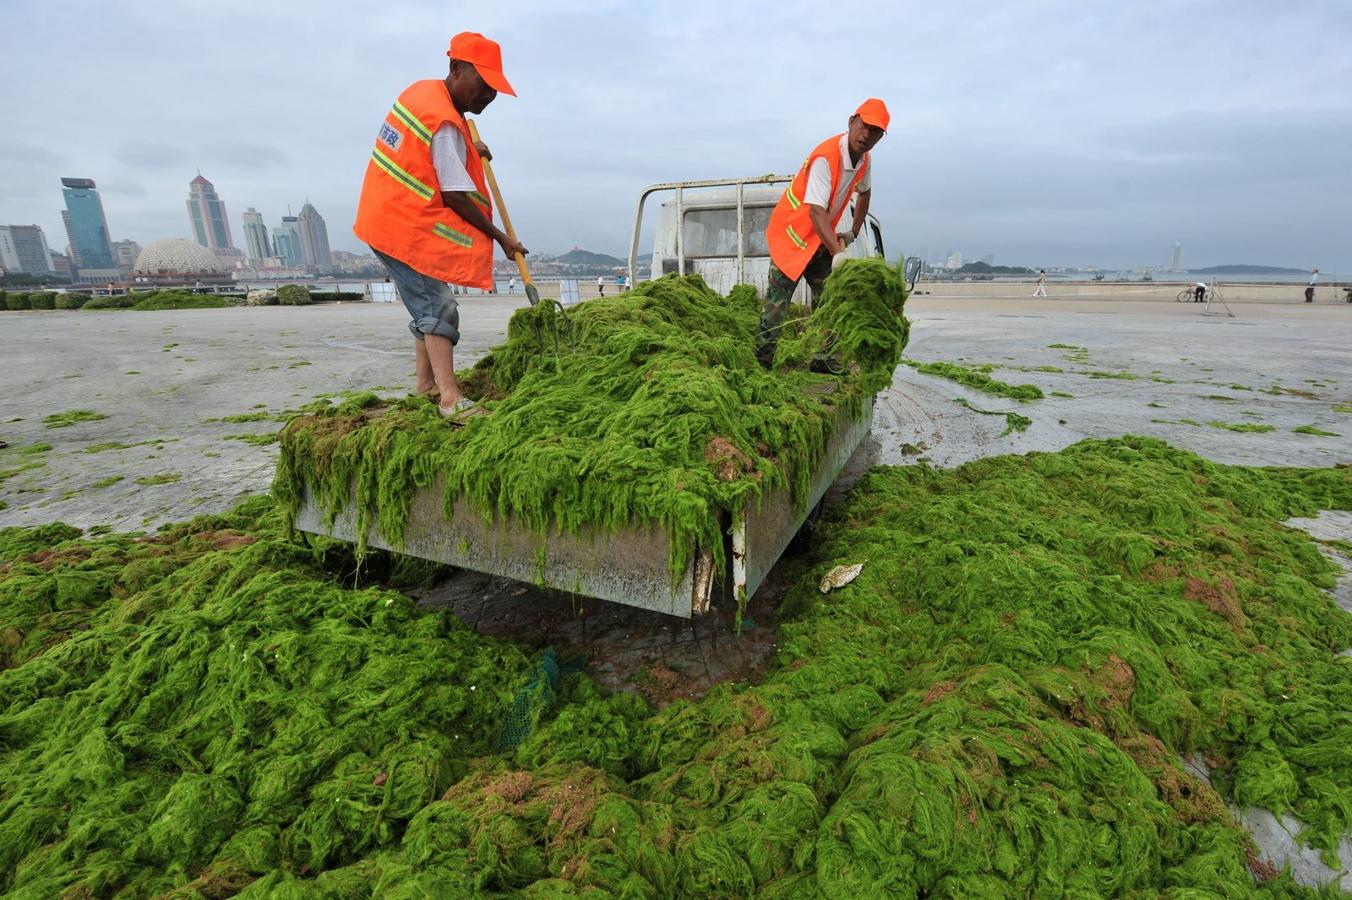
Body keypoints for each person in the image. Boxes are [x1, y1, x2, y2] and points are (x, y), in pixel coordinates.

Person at [353, 31, 528, 418]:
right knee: (439, 306)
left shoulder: (422, 94)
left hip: (383, 218)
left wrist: (470, 144)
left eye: (494, 88)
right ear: (456, 69)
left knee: (425, 307)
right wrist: (501, 238)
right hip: (403, 226)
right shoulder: (446, 124)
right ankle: (450, 399)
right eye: (484, 85)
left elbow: (434, 147)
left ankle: (425, 386)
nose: (489, 96)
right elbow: (454, 193)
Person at [756, 98, 889, 370]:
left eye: (875, 131)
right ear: (852, 122)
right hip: (791, 237)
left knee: (830, 298)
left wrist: (852, 232)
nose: (867, 135)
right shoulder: (825, 157)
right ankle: (762, 361)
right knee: (776, 304)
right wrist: (838, 252)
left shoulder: (864, 161)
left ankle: (823, 360)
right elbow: (816, 211)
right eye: (864, 126)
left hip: (819, 238)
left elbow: (865, 194)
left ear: (880, 137)